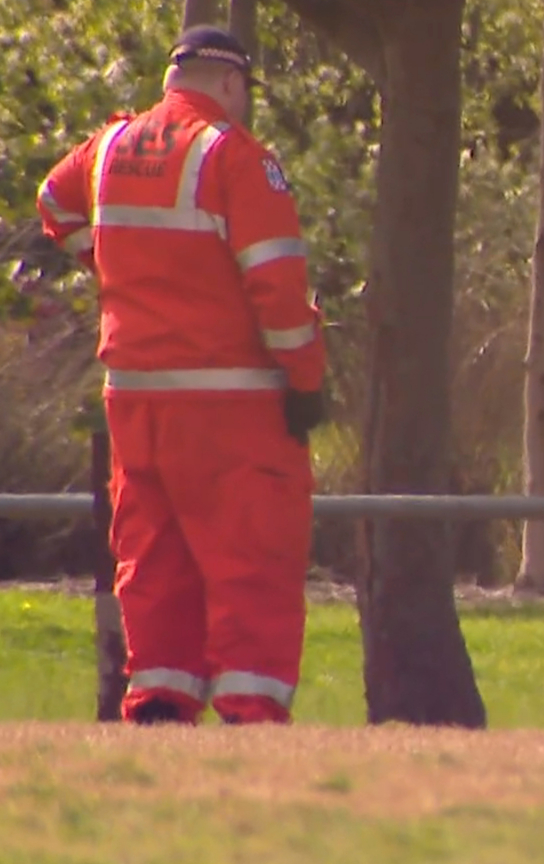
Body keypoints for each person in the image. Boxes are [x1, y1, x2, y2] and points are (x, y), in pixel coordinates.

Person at [35, 26, 327, 725]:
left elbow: (54, 203)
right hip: (232, 402)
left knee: (153, 554)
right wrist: (306, 380)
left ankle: (161, 704)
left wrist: (115, 270)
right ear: (230, 83)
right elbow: (279, 289)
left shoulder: (108, 148)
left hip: (134, 399)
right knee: (252, 552)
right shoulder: (234, 157)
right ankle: (250, 710)